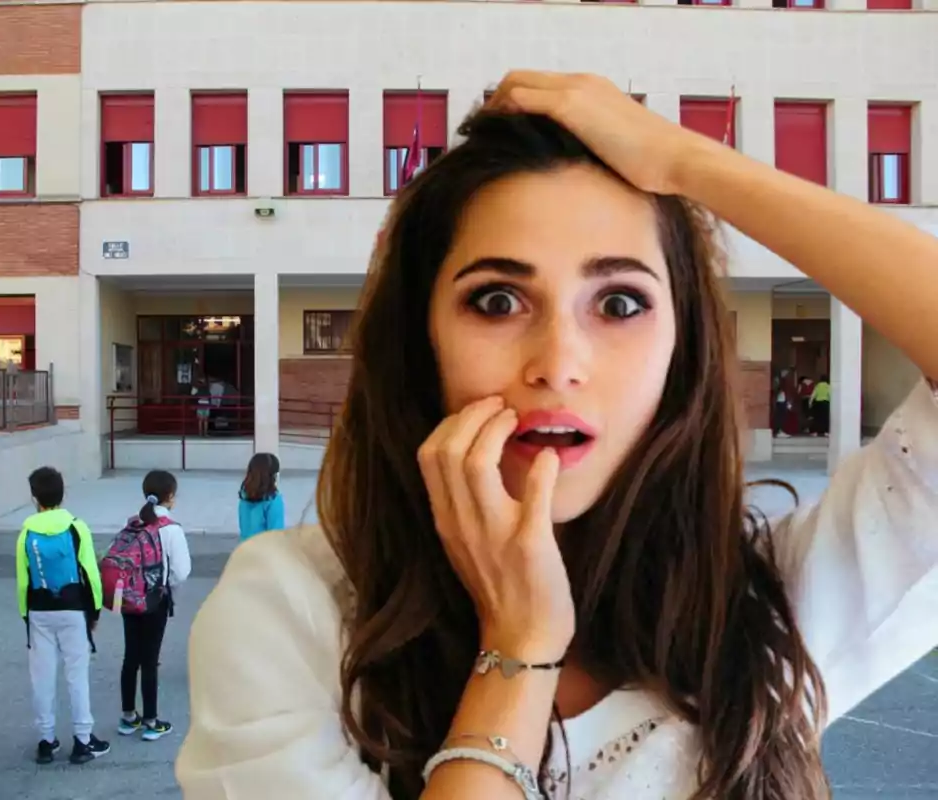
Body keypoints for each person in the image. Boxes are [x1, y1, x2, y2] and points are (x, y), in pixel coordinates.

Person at [176, 72, 938, 800]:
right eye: (499, 300)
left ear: (683, 351)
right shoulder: (288, 612)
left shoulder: (775, 603)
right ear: (422, 341)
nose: (559, 365)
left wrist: (684, 161)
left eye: (619, 304)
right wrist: (519, 642)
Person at [17, 466, 110, 765]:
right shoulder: (75, 526)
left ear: (34, 497)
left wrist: (25, 616)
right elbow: (90, 574)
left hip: (39, 610)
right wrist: (94, 611)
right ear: (62, 493)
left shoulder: (26, 532)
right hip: (73, 609)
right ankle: (83, 740)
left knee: (42, 676)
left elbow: (23, 580)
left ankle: (47, 740)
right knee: (76, 674)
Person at [116, 470, 191, 741]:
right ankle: (151, 720)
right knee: (150, 659)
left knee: (131, 657)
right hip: (154, 601)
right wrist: (164, 584)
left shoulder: (134, 523)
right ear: (170, 497)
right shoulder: (170, 529)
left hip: (128, 598)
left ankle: (128, 717)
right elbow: (182, 571)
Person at [237, 453, 285, 542]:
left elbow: (243, 527)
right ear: (273, 475)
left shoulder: (244, 497)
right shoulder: (273, 500)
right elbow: (276, 535)